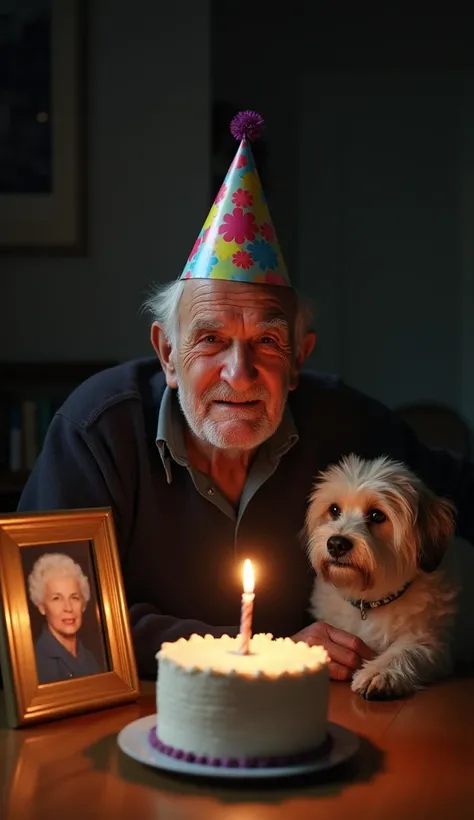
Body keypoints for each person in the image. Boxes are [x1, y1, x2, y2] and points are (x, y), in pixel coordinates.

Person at [18, 111, 474, 682]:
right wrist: (261, 650)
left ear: (300, 357)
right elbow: (43, 618)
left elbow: (461, 498)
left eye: (266, 340)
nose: (239, 372)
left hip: (309, 721)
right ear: (167, 354)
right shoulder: (96, 430)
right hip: (139, 714)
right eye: (210, 339)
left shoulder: (346, 420)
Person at [28, 552, 102, 684]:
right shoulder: (35, 665)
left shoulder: (90, 658)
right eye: (57, 599)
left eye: (74, 598)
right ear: (42, 607)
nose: (68, 608)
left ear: (83, 604)